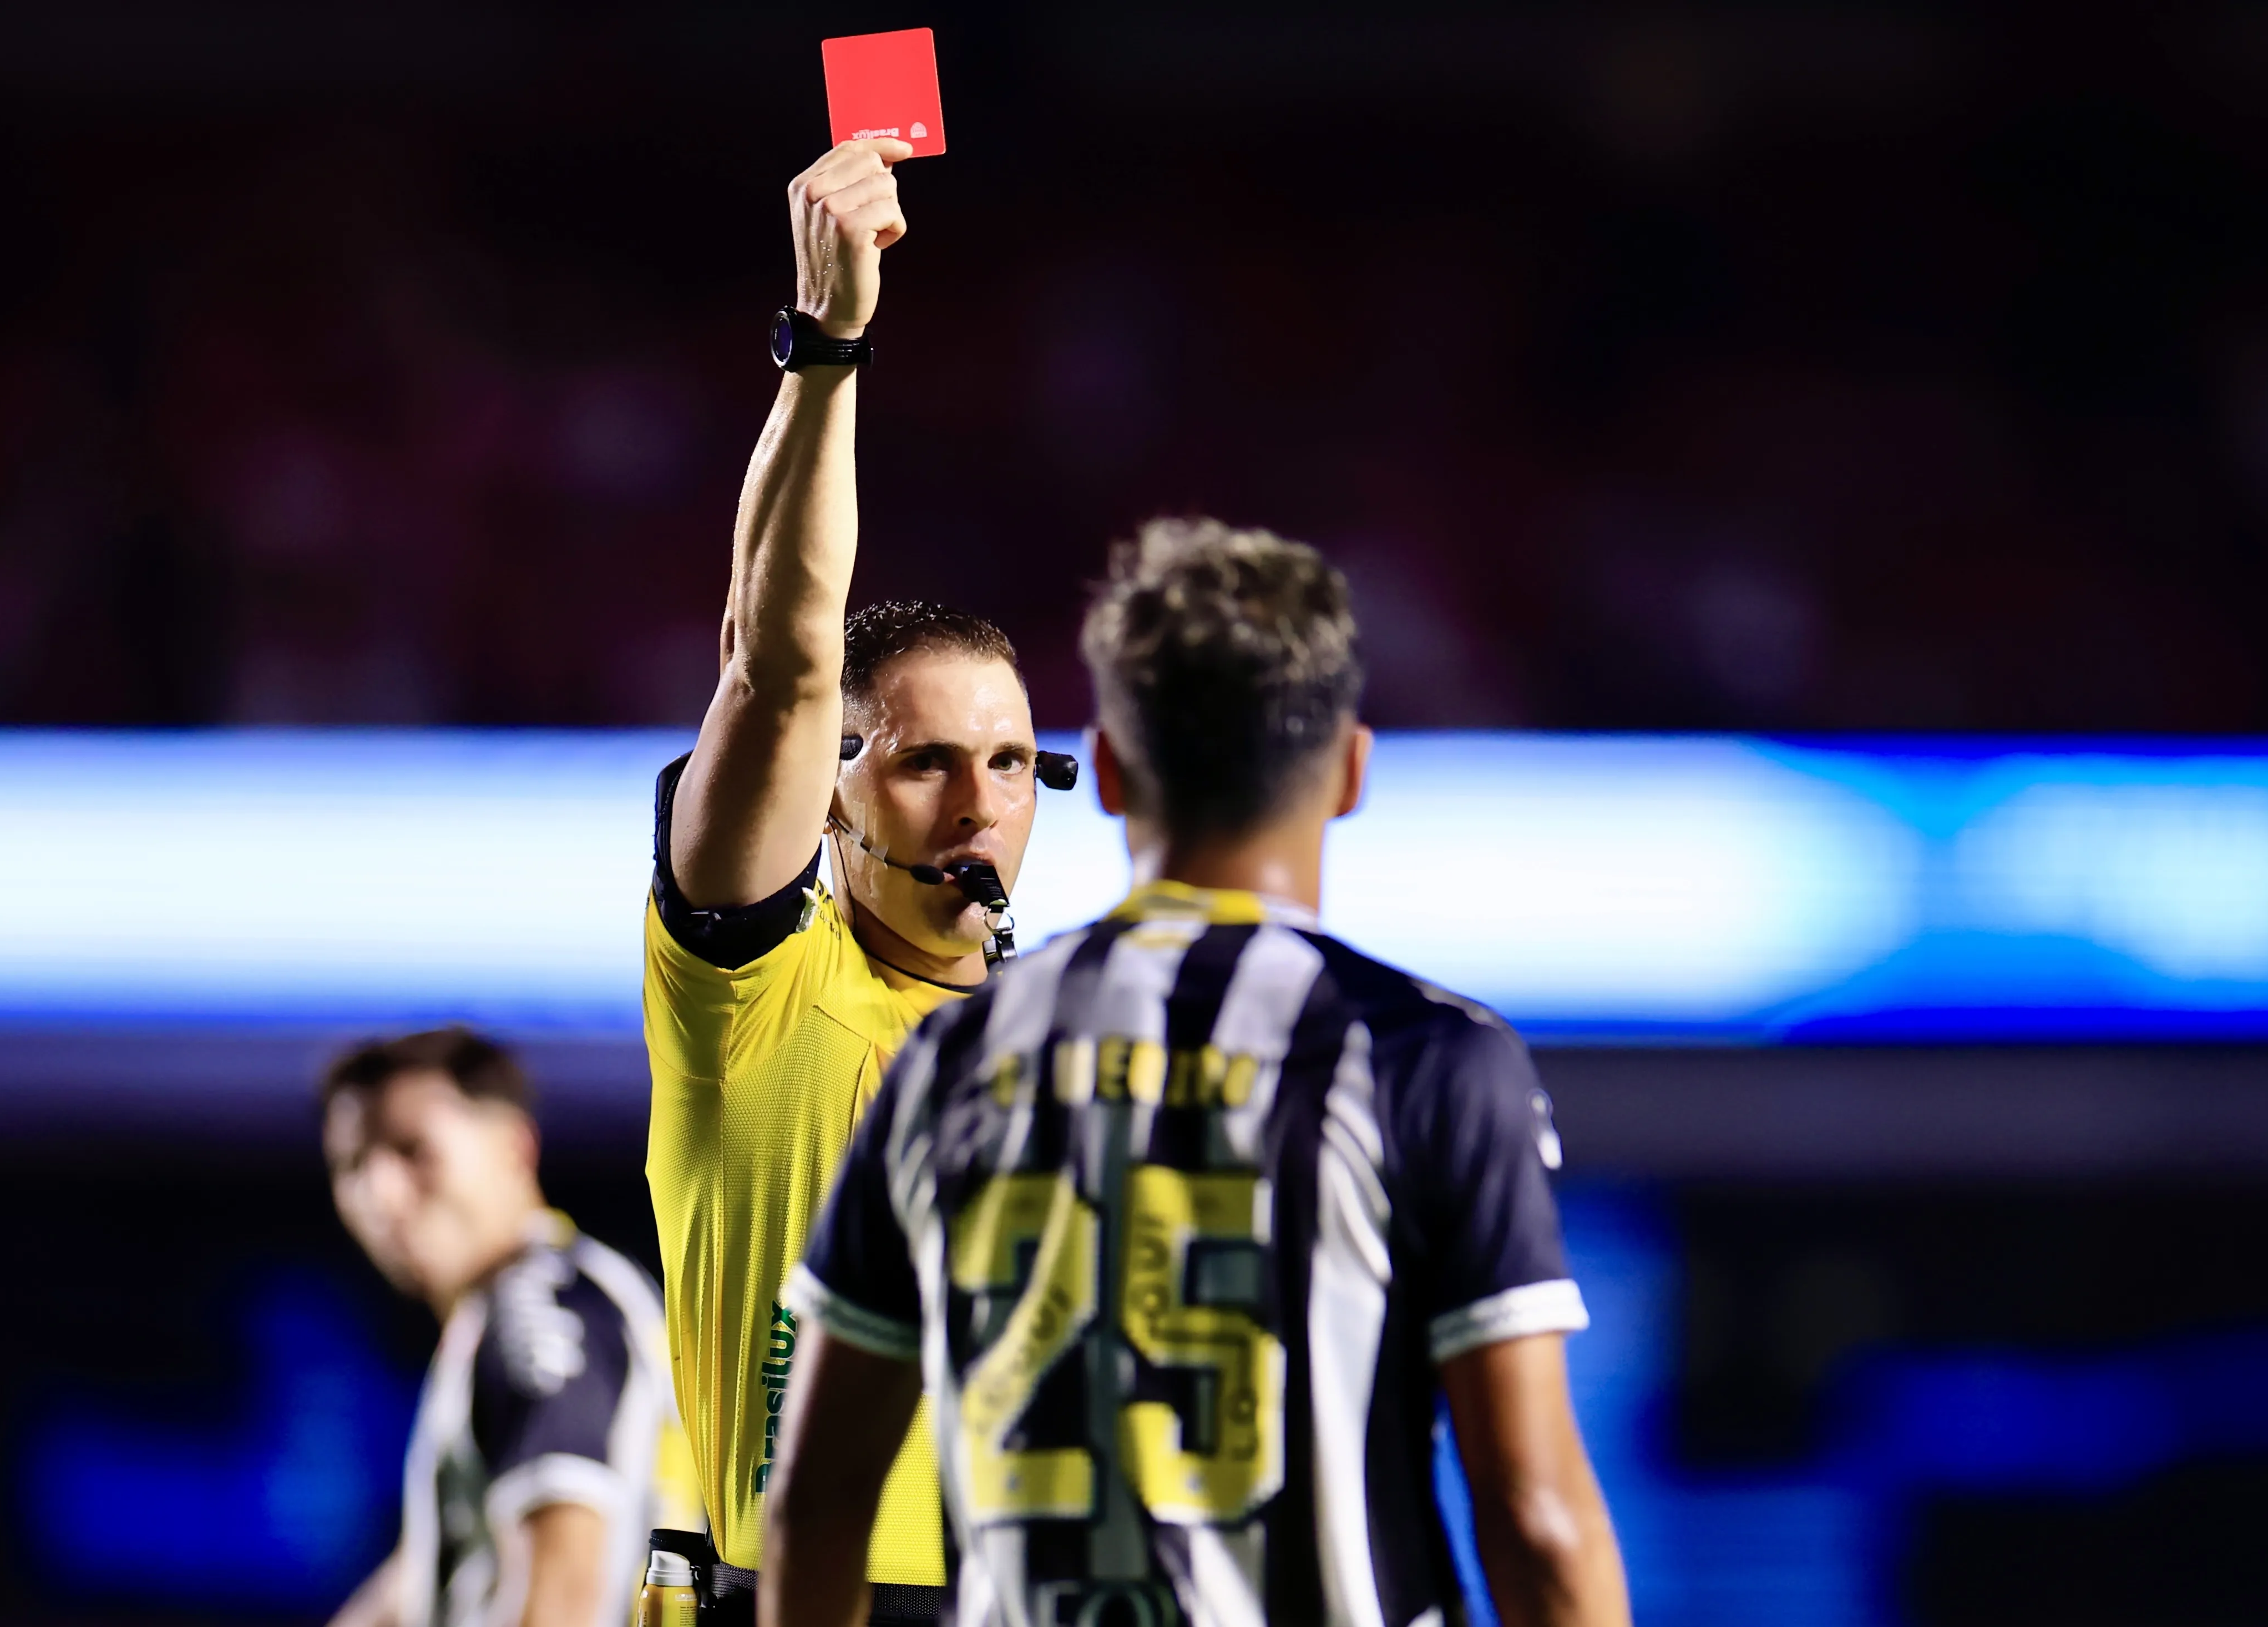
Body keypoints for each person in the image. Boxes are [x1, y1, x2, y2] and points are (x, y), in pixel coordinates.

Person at [763, 521, 1633, 1627]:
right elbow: (1539, 1522)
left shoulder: (953, 1057)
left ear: (1113, 772)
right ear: (1354, 770)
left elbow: (818, 1500)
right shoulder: (1427, 1057)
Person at [643, 138, 1072, 1620]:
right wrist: (824, 348)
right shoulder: (752, 985)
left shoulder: (1079, 1043)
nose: (976, 801)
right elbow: (780, 663)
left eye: (1013, 762)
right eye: (922, 758)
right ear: (831, 789)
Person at [320, 1027, 702, 1627]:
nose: (381, 1193)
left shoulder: (535, 1309)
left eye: (413, 1150)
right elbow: (434, 1565)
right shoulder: (545, 1294)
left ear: (514, 1148)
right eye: (352, 1165)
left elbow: (566, 1580)